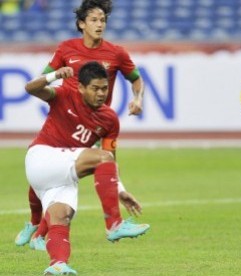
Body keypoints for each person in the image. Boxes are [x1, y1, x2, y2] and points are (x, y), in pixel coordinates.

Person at [15, 0, 145, 250]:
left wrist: (137, 99)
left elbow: (136, 80)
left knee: (79, 170)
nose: (100, 24)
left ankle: (41, 233)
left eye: (103, 20)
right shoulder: (66, 48)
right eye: (94, 20)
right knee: (46, 174)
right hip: (65, 114)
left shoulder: (117, 53)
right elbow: (40, 80)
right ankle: (34, 225)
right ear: (81, 24)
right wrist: (56, 77)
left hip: (95, 123)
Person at [24, 61, 150, 275]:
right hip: (41, 157)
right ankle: (114, 224)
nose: (101, 93)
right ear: (81, 87)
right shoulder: (64, 95)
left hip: (61, 175)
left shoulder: (110, 120)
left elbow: (110, 159)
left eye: (105, 88)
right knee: (101, 156)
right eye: (95, 88)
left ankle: (57, 264)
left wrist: (119, 190)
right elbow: (30, 88)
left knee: (61, 217)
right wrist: (53, 75)